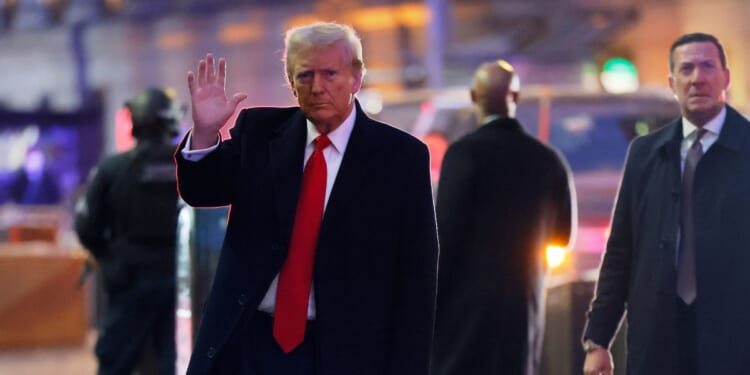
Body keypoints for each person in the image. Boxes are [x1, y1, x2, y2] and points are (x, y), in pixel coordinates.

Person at [175, 22, 439, 375]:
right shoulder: (260, 134)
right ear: (291, 81)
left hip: (347, 352)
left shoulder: (401, 158)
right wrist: (206, 133)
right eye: (305, 75)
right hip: (252, 343)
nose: (317, 87)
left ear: (357, 78)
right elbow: (202, 190)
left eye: (330, 73)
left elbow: (417, 278)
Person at [582, 32, 750, 375]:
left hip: (734, 339)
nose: (697, 78)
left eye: (707, 66)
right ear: (672, 83)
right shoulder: (645, 153)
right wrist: (598, 340)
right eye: (686, 69)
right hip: (658, 336)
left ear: (726, 78)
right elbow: (620, 251)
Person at [431, 59, 576, 375]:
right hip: (521, 310)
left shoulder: (462, 155)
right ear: (516, 98)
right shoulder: (548, 160)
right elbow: (563, 236)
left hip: (462, 318)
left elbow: (444, 237)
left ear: (473, 97)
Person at [75, 87, 184, 375]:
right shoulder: (188, 166)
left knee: (116, 361)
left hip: (129, 278)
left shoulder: (113, 168)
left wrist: (106, 257)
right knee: (171, 359)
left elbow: (86, 224)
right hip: (179, 280)